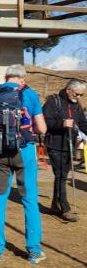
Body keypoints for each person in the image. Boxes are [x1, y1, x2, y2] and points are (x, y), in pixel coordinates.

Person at [0, 64, 47, 264]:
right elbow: (42, 128)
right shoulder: (30, 94)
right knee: (29, 200)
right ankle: (34, 250)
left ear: (7, 77)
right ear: (23, 79)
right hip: (24, 152)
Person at [43, 79, 87, 222]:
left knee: (61, 176)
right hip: (55, 145)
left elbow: (82, 123)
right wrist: (62, 124)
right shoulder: (53, 101)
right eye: (77, 94)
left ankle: (55, 205)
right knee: (61, 175)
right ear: (68, 90)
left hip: (69, 145)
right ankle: (65, 209)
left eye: (81, 95)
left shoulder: (77, 105)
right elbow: (45, 123)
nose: (79, 97)